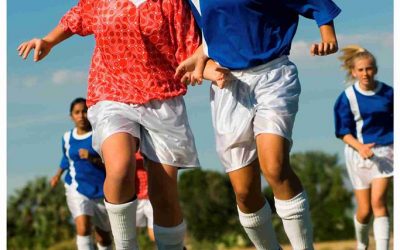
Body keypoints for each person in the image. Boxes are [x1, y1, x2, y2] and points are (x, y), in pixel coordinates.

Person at [17, 1, 205, 249]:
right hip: (111, 92)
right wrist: (49, 40)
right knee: (119, 168)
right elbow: (78, 17)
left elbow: (191, 50)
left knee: (163, 196)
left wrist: (213, 70)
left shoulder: (171, 2)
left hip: (162, 97)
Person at [176, 1, 341, 249]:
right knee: (244, 192)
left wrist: (327, 32)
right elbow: (210, 31)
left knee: (274, 166)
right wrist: (202, 58)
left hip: (273, 74)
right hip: (228, 87)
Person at [334, 45, 393, 250]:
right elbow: (343, 131)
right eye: (361, 70)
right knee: (365, 210)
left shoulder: (389, 94)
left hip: (386, 153)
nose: (365, 73)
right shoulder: (347, 98)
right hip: (357, 154)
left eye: (369, 69)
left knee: (378, 202)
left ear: (375, 69)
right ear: (353, 72)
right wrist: (360, 147)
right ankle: (361, 243)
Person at [50, 97, 112, 250]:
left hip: (101, 190)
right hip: (76, 187)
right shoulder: (67, 138)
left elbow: (111, 162)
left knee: (103, 237)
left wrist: (91, 158)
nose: (81, 115)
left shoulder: (99, 135)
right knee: (83, 228)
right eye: (77, 112)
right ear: (71, 116)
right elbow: (66, 158)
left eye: (84, 111)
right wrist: (57, 174)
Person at [134, 151, 155, 243]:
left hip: (152, 197)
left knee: (156, 236)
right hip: (134, 198)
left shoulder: (152, 148)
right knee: (130, 236)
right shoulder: (128, 148)